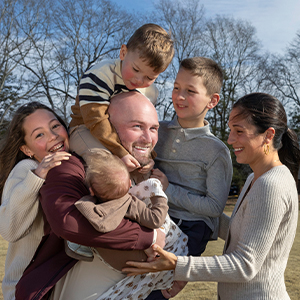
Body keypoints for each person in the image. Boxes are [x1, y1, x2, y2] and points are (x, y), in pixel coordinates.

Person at [123, 92, 300, 300]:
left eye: (239, 131)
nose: (230, 139)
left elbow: (245, 265)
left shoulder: (271, 185)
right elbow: (239, 229)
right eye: (231, 130)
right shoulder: (256, 177)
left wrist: (176, 264)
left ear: (268, 135)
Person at [16, 91, 188, 300]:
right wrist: (150, 237)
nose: (148, 137)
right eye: (136, 126)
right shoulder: (67, 165)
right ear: (108, 130)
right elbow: (67, 222)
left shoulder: (137, 170)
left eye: (153, 128)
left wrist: (176, 271)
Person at [147, 57, 233, 299]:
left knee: (156, 291)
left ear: (212, 101)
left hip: (191, 228)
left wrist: (168, 189)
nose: (179, 96)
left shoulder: (216, 151)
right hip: (153, 215)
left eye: (190, 91)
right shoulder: (156, 129)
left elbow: (215, 207)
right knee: (127, 276)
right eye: (176, 88)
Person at [69, 23, 174, 171]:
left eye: (149, 77)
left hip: (118, 134)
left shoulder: (149, 92)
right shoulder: (100, 75)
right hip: (85, 128)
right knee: (108, 165)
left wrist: (148, 157)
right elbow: (96, 120)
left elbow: (144, 128)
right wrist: (120, 152)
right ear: (123, 53)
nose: (139, 80)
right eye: (135, 69)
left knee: (141, 167)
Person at [0, 102, 72, 300]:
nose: (53, 136)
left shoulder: (72, 167)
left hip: (60, 284)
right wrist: (38, 175)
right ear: (27, 149)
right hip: (27, 290)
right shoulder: (26, 169)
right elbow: (9, 230)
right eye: (39, 135)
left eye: (55, 126)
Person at [65, 149, 169, 262]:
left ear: (91, 190)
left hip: (107, 258)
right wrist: (159, 194)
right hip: (132, 255)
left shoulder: (88, 206)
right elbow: (156, 220)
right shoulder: (132, 205)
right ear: (130, 183)